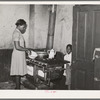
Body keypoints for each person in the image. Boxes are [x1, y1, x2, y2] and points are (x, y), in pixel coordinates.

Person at [10, 19, 32, 89]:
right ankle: (18, 87)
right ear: (19, 25)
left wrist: (25, 50)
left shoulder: (18, 32)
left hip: (19, 54)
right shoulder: (16, 33)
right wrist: (27, 49)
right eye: (24, 27)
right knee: (17, 71)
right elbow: (17, 47)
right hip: (18, 54)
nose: (24, 29)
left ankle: (17, 87)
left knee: (18, 72)